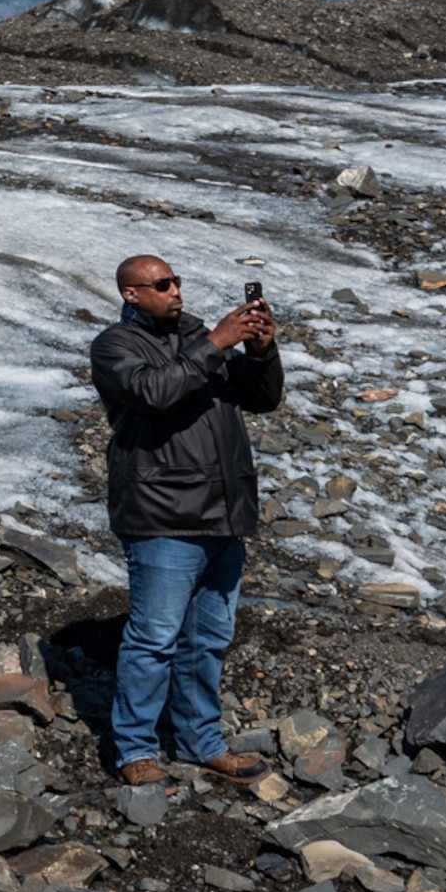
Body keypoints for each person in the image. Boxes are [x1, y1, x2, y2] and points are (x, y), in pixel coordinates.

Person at [93, 256, 283, 786]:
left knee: (207, 638)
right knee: (154, 638)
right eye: (162, 284)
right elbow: (153, 393)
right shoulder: (115, 346)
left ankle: (203, 742)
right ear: (132, 294)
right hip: (163, 514)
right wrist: (218, 343)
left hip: (223, 515)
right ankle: (135, 752)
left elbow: (263, 399)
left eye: (177, 281)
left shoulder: (198, 336)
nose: (175, 291)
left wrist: (261, 349)